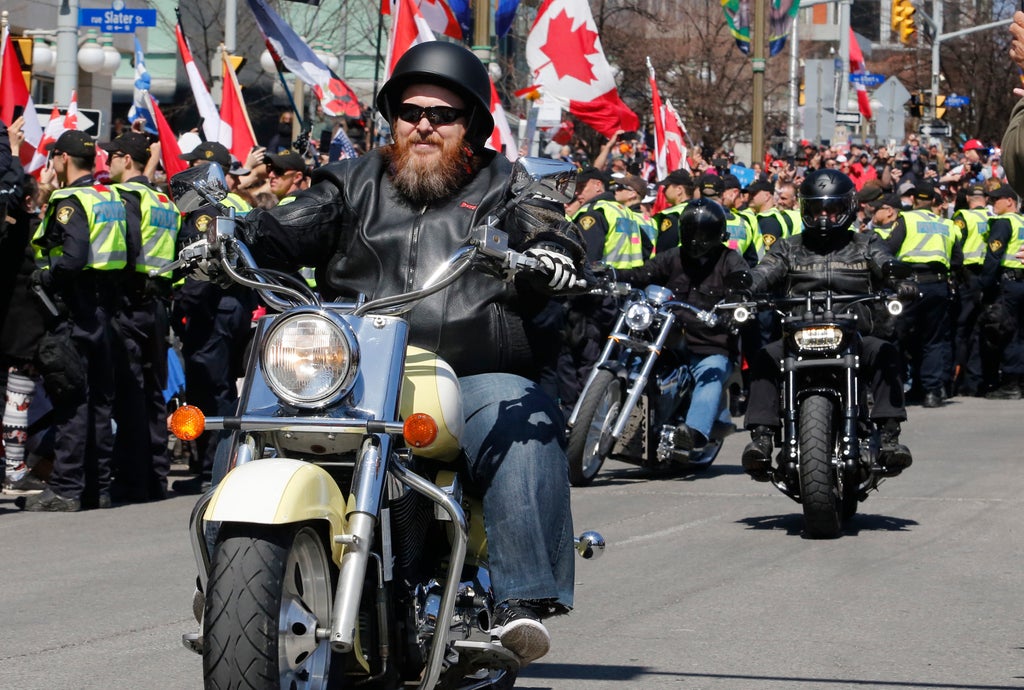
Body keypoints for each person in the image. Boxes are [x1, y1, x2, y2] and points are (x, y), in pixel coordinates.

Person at [230, 41, 584, 664]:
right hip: (352, 368)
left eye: (442, 114)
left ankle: (519, 604)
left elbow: (546, 221)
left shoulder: (506, 184)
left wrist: (554, 250)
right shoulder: (351, 180)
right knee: (253, 416)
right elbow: (292, 223)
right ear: (391, 117)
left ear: (470, 124)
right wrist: (233, 235)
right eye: (410, 110)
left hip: (467, 369)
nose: (423, 124)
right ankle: (226, 579)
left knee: (522, 412)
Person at [740, 169, 913, 481]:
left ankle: (889, 435)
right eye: (817, 209)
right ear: (806, 210)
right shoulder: (787, 246)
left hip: (854, 336)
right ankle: (762, 438)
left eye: (831, 209)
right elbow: (764, 271)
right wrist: (745, 285)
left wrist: (898, 276)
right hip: (798, 335)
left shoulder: (865, 242)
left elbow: (884, 260)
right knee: (765, 356)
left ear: (845, 209)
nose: (824, 217)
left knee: (885, 352)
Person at [20, 130, 129, 511]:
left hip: (76, 310)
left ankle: (66, 488)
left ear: (63, 159)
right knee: (100, 401)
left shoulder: (70, 200)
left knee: (72, 400)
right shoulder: (110, 196)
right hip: (106, 310)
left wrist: (46, 277)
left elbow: (73, 257)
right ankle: (97, 488)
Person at [615, 199, 747, 451]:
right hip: (669, 338)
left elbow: (741, 284)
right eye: (691, 231)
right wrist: (613, 275)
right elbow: (644, 273)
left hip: (709, 343)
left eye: (703, 233)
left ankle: (694, 432)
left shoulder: (729, 259)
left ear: (718, 233)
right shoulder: (673, 256)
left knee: (711, 374)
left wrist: (736, 302)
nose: (697, 239)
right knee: (633, 355)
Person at [102, 131, 180, 502]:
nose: (107, 163)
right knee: (152, 394)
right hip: (159, 304)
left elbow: (126, 247)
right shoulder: (163, 200)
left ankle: (132, 479)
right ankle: (155, 476)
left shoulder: (126, 197)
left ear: (126, 160)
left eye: (112, 156)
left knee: (130, 393)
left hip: (130, 303)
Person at [883, 181, 960, 407]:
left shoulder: (907, 219)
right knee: (933, 340)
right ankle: (931, 392)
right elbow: (957, 260)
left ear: (914, 200)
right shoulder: (947, 224)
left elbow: (889, 248)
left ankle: (894, 391)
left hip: (910, 286)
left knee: (898, 337)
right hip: (938, 286)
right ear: (934, 202)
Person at [978, 182, 1024, 399]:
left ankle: (1011, 384)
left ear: (1010, 201)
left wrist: (984, 285)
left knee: (1009, 332)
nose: (992, 203)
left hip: (1011, 283)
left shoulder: (1004, 221)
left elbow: (994, 256)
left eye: (996, 199)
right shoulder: (1022, 221)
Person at [951, 183, 993, 396]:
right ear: (985, 198)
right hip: (989, 277)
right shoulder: (993, 217)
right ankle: (977, 381)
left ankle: (958, 381)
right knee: (979, 329)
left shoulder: (963, 217)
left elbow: (953, 242)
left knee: (961, 330)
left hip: (966, 278)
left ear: (968, 199)